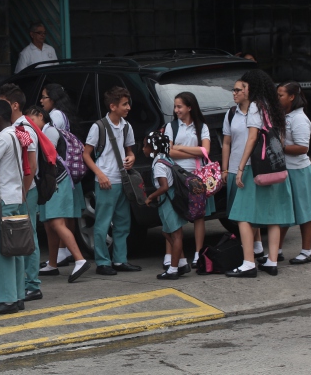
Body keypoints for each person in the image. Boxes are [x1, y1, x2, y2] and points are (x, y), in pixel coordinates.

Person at [226, 70, 295, 278]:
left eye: (245, 85)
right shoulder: (272, 106)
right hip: (275, 168)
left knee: (242, 215)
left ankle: (248, 263)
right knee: (273, 216)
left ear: (252, 86)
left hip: (255, 169)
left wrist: (240, 167)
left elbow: (252, 138)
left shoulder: (255, 106)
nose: (242, 88)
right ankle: (272, 261)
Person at [25, 106, 91, 283]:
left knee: (56, 222)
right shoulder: (42, 132)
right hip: (49, 183)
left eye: (32, 118)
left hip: (56, 181)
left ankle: (80, 259)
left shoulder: (50, 131)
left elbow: (49, 158)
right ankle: (52, 264)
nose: (30, 123)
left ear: (41, 115)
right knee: (48, 224)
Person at [82, 86, 141, 275]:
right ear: (113, 106)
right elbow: (86, 154)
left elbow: (129, 150)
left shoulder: (126, 126)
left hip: (122, 180)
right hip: (106, 181)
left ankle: (120, 260)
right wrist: (99, 174)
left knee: (123, 223)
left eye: (128, 103)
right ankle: (102, 262)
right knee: (102, 222)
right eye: (124, 104)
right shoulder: (98, 127)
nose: (128, 107)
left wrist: (131, 158)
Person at [0, 84, 42, 302]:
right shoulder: (16, 128)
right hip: (21, 190)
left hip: (24, 190)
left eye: (3, 102)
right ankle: (25, 284)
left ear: (14, 105)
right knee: (21, 235)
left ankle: (32, 284)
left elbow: (31, 165)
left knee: (26, 235)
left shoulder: (23, 129)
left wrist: (22, 191)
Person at [162, 92, 216, 269]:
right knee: (174, 213)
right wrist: (195, 149)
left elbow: (205, 151)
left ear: (189, 107)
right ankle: (170, 254)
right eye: (175, 106)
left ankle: (198, 253)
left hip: (197, 177)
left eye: (180, 106)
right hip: (177, 176)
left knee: (199, 215)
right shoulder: (171, 127)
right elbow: (169, 152)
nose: (176, 110)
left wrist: (181, 147)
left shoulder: (201, 126)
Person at [275, 81, 311, 265]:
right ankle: (276, 250)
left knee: (305, 212)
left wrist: (279, 147)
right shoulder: (283, 115)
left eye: (280, 95)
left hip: (299, 171)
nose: (277, 98)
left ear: (291, 97)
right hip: (285, 170)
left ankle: (306, 252)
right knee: (283, 211)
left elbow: (303, 148)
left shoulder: (299, 119)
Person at [0, 100, 26, 315]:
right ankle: (17, 296)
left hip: (1, 202)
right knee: (14, 249)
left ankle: (6, 299)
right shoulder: (16, 134)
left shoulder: (3, 137)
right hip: (15, 198)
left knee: (2, 252)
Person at [39, 83, 85, 267]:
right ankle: (64, 252)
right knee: (67, 214)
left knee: (56, 219)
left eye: (44, 97)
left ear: (53, 99)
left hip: (58, 174)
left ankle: (63, 254)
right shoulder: (65, 115)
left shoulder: (55, 117)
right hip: (69, 172)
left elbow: (49, 144)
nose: (41, 101)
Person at [222, 80, 265, 260]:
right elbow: (226, 142)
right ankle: (257, 247)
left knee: (248, 212)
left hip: (251, 169)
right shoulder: (231, 113)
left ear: (249, 91)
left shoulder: (259, 112)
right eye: (233, 90)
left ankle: (251, 250)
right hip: (234, 168)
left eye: (238, 90)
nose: (234, 93)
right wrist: (225, 169)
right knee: (235, 212)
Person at [142, 131, 191, 280]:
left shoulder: (158, 164)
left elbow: (163, 186)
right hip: (172, 199)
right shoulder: (166, 158)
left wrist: (150, 197)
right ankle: (182, 262)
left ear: (153, 148)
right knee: (167, 232)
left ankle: (173, 269)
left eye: (145, 146)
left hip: (168, 200)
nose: (143, 149)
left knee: (176, 236)